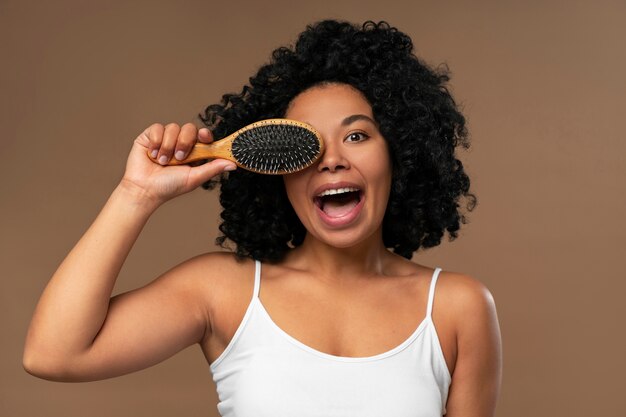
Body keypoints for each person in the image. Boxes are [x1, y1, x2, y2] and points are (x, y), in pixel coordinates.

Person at [23, 20, 502, 417]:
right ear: (279, 170)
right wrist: (135, 194)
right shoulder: (224, 291)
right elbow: (53, 353)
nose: (331, 159)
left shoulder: (458, 308)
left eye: (357, 137)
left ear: (399, 154)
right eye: (307, 143)